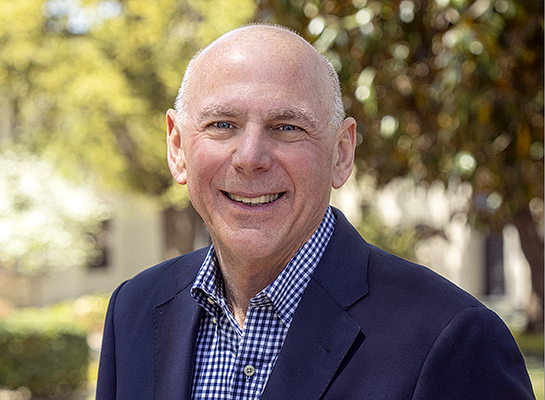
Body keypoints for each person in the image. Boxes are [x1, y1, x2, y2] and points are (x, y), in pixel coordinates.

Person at [96, 24, 534, 400]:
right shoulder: (132, 311)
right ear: (177, 147)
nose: (250, 157)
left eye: (287, 127)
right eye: (221, 125)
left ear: (342, 153)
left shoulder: (455, 339)